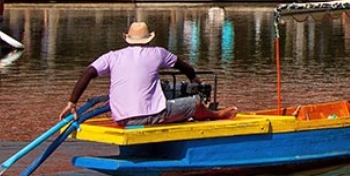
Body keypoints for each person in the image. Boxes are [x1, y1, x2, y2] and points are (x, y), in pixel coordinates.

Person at [61, 21, 236, 125]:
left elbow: (88, 73)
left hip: (121, 118)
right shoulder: (157, 53)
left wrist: (72, 103)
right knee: (196, 103)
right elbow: (183, 66)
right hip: (150, 115)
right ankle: (218, 115)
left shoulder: (112, 56)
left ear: (128, 39)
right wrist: (194, 78)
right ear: (148, 39)